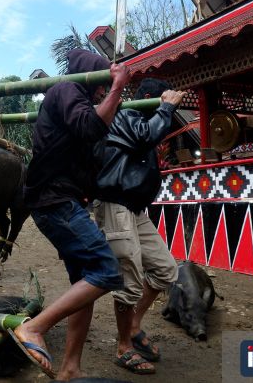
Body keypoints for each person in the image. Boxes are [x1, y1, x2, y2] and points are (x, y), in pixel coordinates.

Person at [11, 49, 131, 380]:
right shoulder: (65, 90)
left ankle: (70, 369)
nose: (106, 90)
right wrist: (119, 87)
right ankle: (34, 328)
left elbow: (96, 132)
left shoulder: (82, 106)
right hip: (54, 202)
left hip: (66, 202)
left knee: (85, 282)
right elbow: (91, 127)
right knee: (107, 271)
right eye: (103, 82)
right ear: (90, 76)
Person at [93, 78, 184, 375]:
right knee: (129, 279)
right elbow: (147, 135)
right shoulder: (127, 114)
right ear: (147, 98)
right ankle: (123, 347)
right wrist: (167, 108)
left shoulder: (139, 119)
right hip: (115, 203)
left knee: (165, 269)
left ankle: (132, 326)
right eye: (159, 101)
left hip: (134, 208)